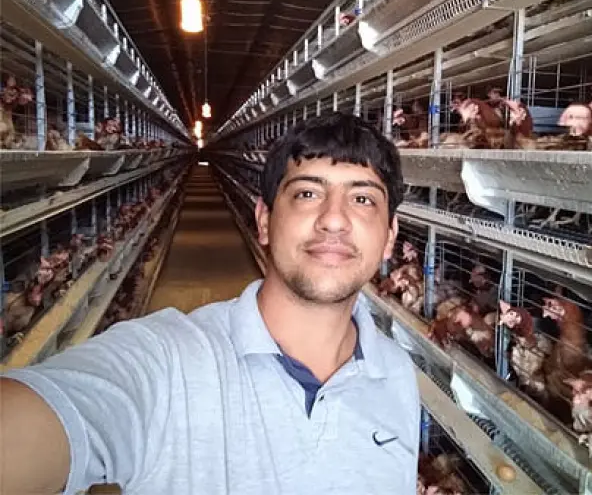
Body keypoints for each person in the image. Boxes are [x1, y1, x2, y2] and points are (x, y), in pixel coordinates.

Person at [0, 114, 420, 494]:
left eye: (363, 199)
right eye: (307, 193)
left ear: (388, 237)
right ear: (264, 221)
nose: (334, 218)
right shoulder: (165, 361)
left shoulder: (399, 376)